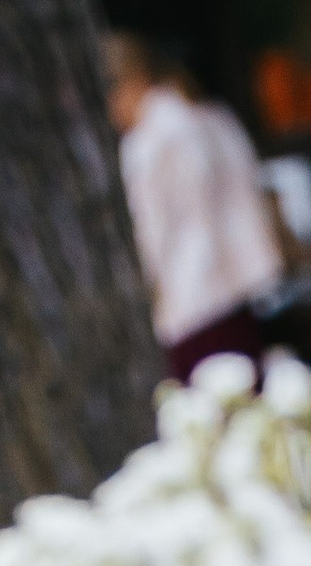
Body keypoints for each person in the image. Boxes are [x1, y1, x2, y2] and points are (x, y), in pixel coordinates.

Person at [103, 32, 285, 381]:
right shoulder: (212, 118)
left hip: (187, 303)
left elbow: (149, 234)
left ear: (132, 82)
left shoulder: (147, 145)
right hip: (237, 294)